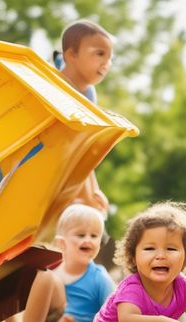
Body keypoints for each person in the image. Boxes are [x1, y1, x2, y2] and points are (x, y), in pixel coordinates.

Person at [84, 203, 186, 322]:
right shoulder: (133, 287)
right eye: (149, 249)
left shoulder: (181, 286)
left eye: (171, 249)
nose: (160, 256)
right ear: (133, 257)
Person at [9, 204, 115, 322]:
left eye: (94, 236)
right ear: (62, 243)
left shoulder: (100, 278)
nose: (88, 240)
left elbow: (113, 318)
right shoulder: (54, 272)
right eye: (81, 235)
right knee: (44, 277)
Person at [57, 19, 114, 215]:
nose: (107, 63)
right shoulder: (53, 85)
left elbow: (84, 147)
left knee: (92, 206)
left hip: (69, 160)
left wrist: (94, 191)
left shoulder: (89, 95)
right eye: (99, 54)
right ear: (71, 55)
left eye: (109, 57)